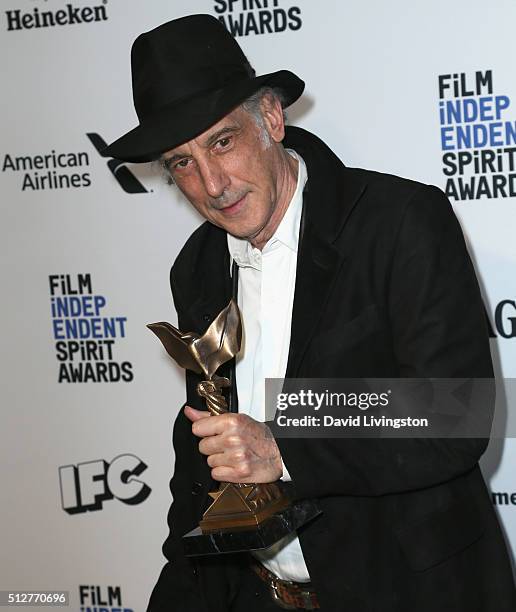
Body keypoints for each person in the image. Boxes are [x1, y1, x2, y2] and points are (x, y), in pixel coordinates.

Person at [102, 13, 516, 612]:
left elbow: (456, 408)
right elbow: (206, 449)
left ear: (271, 118)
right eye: (182, 163)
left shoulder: (399, 223)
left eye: (222, 141)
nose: (212, 184)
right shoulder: (194, 267)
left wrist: (285, 445)